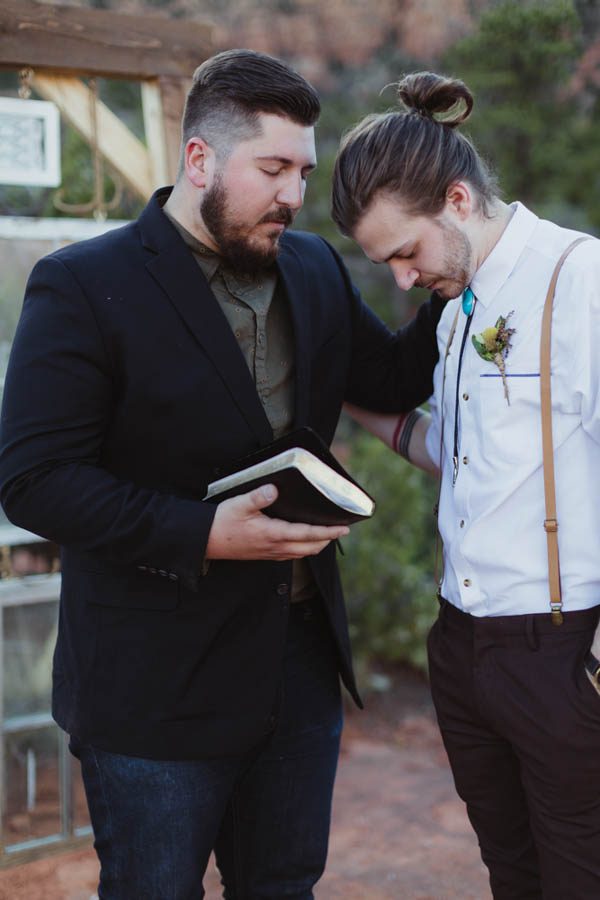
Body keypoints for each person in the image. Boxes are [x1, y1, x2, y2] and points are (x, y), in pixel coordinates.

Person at [0, 51, 444, 899]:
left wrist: (454, 265)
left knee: (283, 887)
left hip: (297, 664)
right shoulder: (81, 285)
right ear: (199, 160)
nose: (294, 194)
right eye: (272, 168)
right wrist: (204, 532)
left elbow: (387, 381)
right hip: (152, 688)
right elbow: (34, 479)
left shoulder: (312, 266)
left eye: (303, 171)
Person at [332, 70, 600, 899]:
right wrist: (333, 391)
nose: (404, 279)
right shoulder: (457, 306)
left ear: (456, 199)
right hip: (461, 645)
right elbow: (458, 450)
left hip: (562, 648)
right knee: (512, 876)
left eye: (405, 253)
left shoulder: (580, 281)